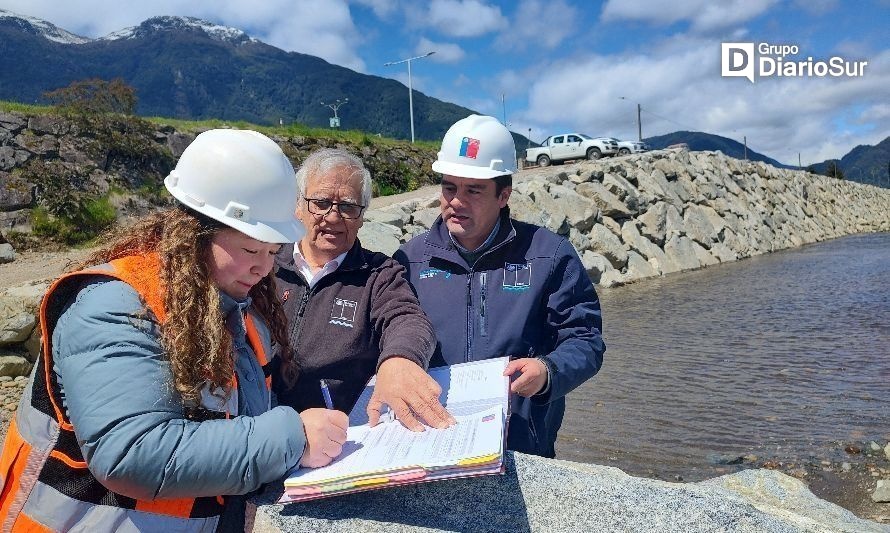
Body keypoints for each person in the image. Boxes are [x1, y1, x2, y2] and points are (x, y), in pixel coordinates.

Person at [0, 129, 348, 531]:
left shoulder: (237, 308)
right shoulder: (113, 306)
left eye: (273, 252)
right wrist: (294, 438)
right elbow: (132, 452)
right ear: (193, 234)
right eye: (251, 249)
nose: (264, 268)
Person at [394, 115, 606, 458]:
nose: (456, 201)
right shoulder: (410, 261)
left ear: (503, 195)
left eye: (473, 190)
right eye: (449, 187)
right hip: (429, 443)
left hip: (521, 447)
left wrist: (547, 372)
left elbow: (584, 340)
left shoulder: (549, 255)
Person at [274, 148, 454, 431]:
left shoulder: (378, 274)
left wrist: (400, 359)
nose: (333, 218)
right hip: (260, 432)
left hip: (336, 443)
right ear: (298, 206)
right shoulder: (265, 264)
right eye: (320, 203)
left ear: (361, 217)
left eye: (348, 207)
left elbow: (407, 319)